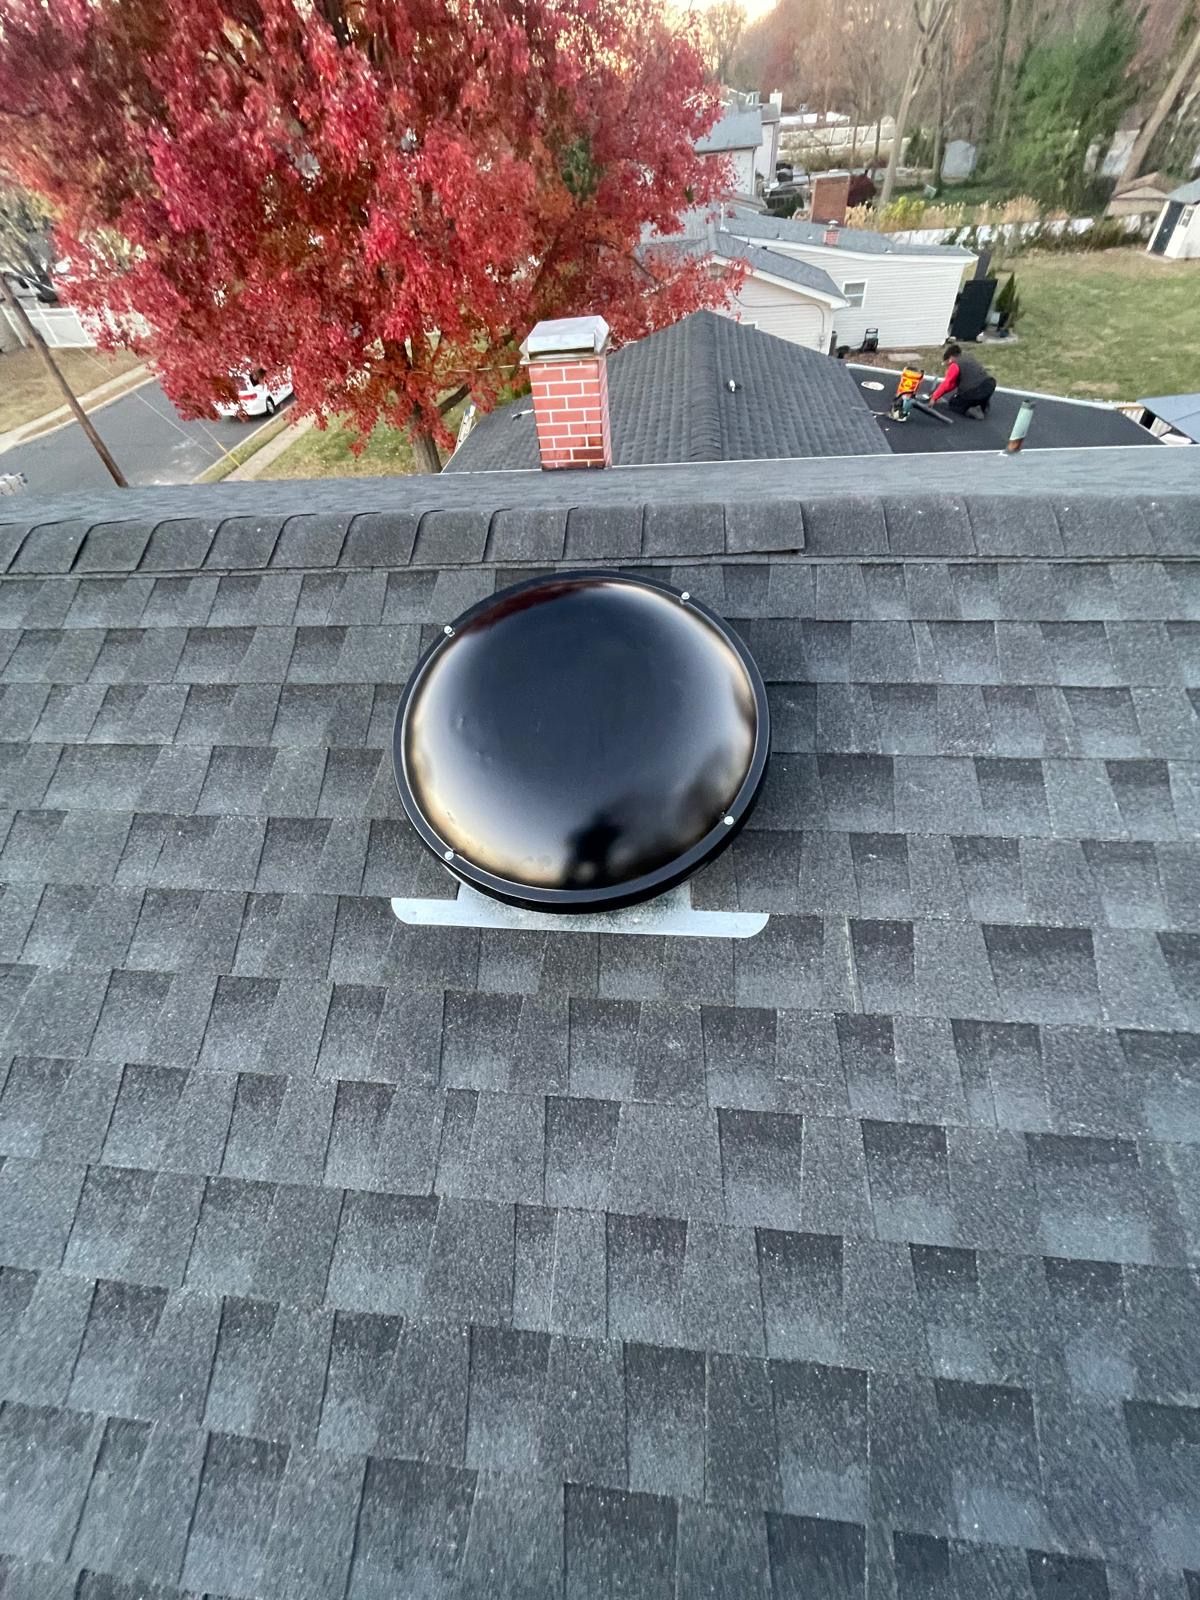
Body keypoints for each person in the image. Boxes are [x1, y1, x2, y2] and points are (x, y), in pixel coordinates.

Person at [928, 343, 997, 418]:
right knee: (978, 393)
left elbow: (947, 383)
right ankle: (982, 405)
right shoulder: (968, 358)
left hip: (975, 391)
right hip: (989, 384)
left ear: (950, 358)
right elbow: (953, 384)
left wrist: (934, 397)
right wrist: (939, 394)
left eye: (946, 363)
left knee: (954, 403)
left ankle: (971, 410)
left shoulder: (955, 365)